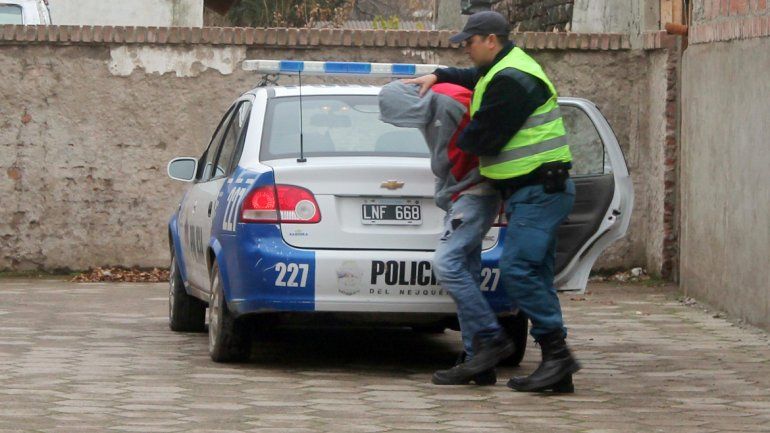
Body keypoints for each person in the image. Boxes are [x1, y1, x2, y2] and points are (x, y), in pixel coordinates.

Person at [403, 10, 580, 393]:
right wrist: (441, 76)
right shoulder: (503, 68)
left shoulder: (513, 81)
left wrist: (443, 128)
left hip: (539, 192)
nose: (466, 49)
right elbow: (473, 78)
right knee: (537, 275)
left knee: (518, 270)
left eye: (469, 42)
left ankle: (552, 353)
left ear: (491, 40)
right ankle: (557, 367)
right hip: (532, 193)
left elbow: (481, 140)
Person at [379, 80, 505, 385]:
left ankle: (490, 338)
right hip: (470, 193)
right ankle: (478, 360)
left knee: (447, 264)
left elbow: (451, 156)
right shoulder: (438, 102)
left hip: (473, 194)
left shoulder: (446, 103)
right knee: (468, 270)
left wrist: (447, 190)